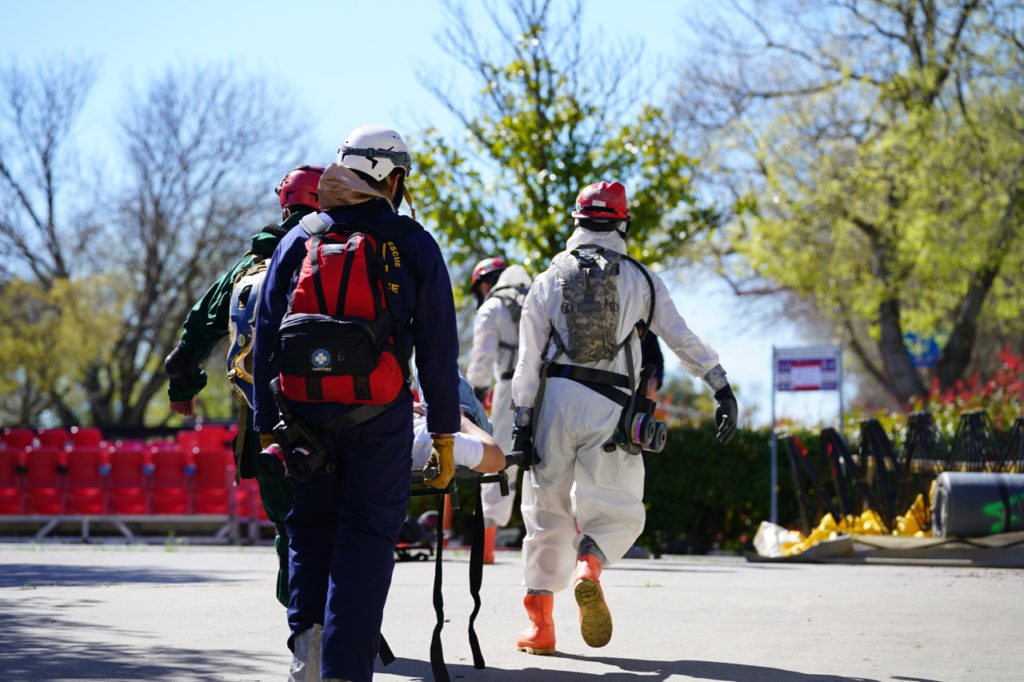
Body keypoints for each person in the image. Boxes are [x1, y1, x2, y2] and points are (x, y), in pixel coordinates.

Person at [251, 125, 461, 682]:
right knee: (365, 540)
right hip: (379, 417)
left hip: (301, 419)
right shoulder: (412, 243)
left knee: (310, 531)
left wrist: (265, 423)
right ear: (391, 178)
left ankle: (309, 646)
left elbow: (264, 333)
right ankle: (344, 671)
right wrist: (442, 435)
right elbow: (439, 351)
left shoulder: (301, 238)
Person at [509, 180, 738, 655]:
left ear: (577, 222)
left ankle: (541, 628)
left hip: (554, 401)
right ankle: (587, 569)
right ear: (622, 223)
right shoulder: (639, 278)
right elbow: (679, 336)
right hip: (611, 407)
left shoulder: (548, 277)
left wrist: (522, 421)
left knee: (544, 511)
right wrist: (719, 384)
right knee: (615, 504)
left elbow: (527, 360)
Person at [164, 164, 324, 608]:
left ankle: (302, 626)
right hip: (328, 417)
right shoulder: (333, 250)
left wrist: (184, 390)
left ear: (284, 202)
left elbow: (184, 350)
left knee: (288, 527)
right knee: (336, 521)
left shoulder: (248, 266)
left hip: (263, 423)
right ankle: (342, 627)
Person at [465, 256, 533, 563]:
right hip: (551, 390)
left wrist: (473, 396)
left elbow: (480, 364)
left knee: (498, 464)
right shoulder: (538, 297)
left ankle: (486, 548)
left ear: (484, 283)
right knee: (552, 465)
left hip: (510, 392)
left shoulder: (492, 307)